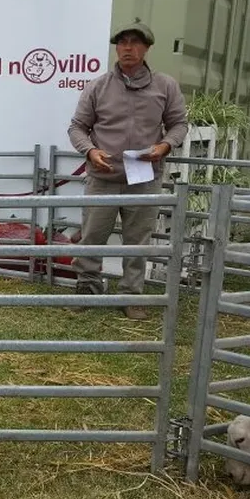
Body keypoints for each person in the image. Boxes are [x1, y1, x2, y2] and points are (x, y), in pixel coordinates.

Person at [67, 19, 188, 320]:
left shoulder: (165, 86)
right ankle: (88, 287)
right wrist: (90, 151)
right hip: (103, 176)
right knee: (92, 236)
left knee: (138, 240)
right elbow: (77, 127)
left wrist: (164, 146)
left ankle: (132, 295)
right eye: (122, 43)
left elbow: (179, 124)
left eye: (135, 42)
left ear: (146, 48)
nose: (128, 48)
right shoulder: (98, 86)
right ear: (117, 48)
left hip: (143, 177)